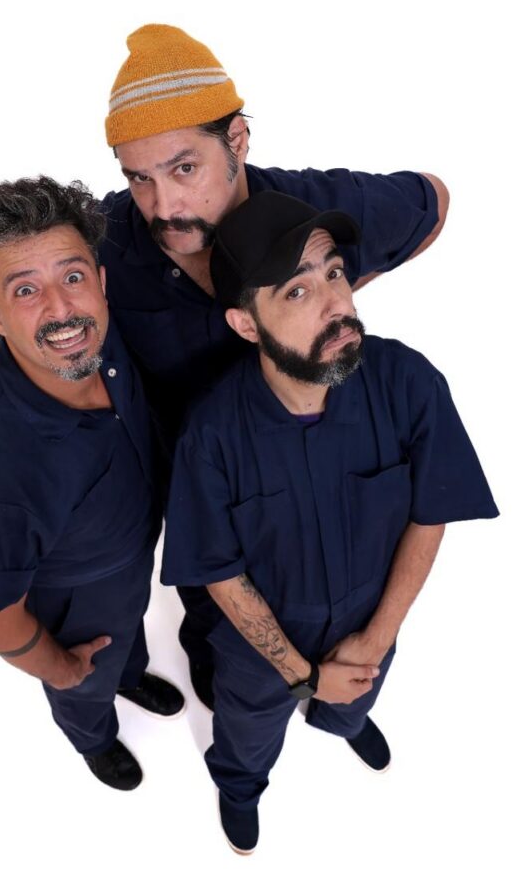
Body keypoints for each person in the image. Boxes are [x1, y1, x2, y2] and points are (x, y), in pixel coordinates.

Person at [99, 23, 451, 708]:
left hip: (305, 456)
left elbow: (432, 200)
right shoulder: (110, 242)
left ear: (237, 140)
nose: (164, 207)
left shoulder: (310, 209)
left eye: (183, 169)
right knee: (212, 610)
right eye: (140, 178)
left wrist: (322, 291)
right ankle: (219, 681)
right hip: (195, 476)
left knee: (331, 580)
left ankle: (330, 701)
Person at [161, 189, 498, 854]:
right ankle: (240, 787)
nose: (337, 303)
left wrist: (374, 641)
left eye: (334, 273)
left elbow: (431, 515)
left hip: (371, 622)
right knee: (247, 730)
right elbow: (220, 574)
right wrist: (303, 676)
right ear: (246, 325)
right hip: (259, 651)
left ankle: (343, 722)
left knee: (357, 696)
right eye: (296, 291)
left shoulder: (408, 382)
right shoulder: (211, 434)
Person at [0, 176, 184, 793]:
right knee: (85, 683)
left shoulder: (97, 335)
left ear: (100, 281)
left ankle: (128, 675)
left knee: (129, 632)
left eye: (72, 277)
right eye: (25, 290)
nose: (61, 310)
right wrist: (62, 669)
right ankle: (93, 735)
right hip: (73, 606)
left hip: (129, 563)